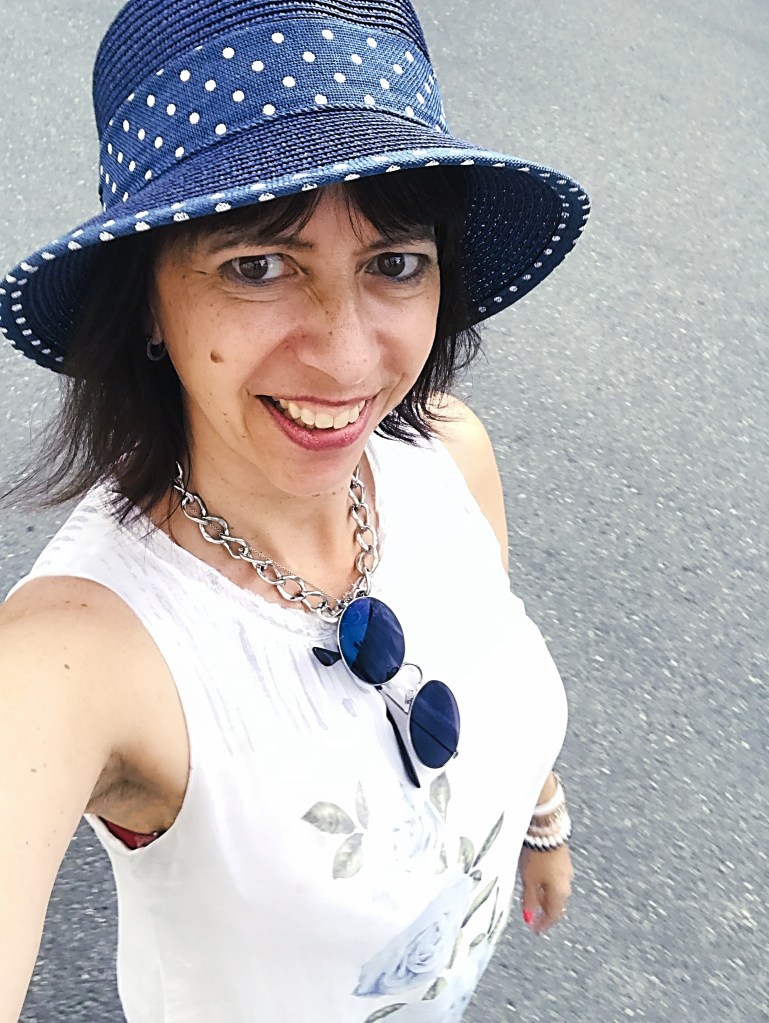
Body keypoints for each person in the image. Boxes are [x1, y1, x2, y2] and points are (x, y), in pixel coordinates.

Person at [0, 0, 589, 1020]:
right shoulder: (77, 653)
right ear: (146, 300)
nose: (348, 357)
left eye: (393, 262)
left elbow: (487, 657)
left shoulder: (446, 453)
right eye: (257, 266)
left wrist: (537, 814)